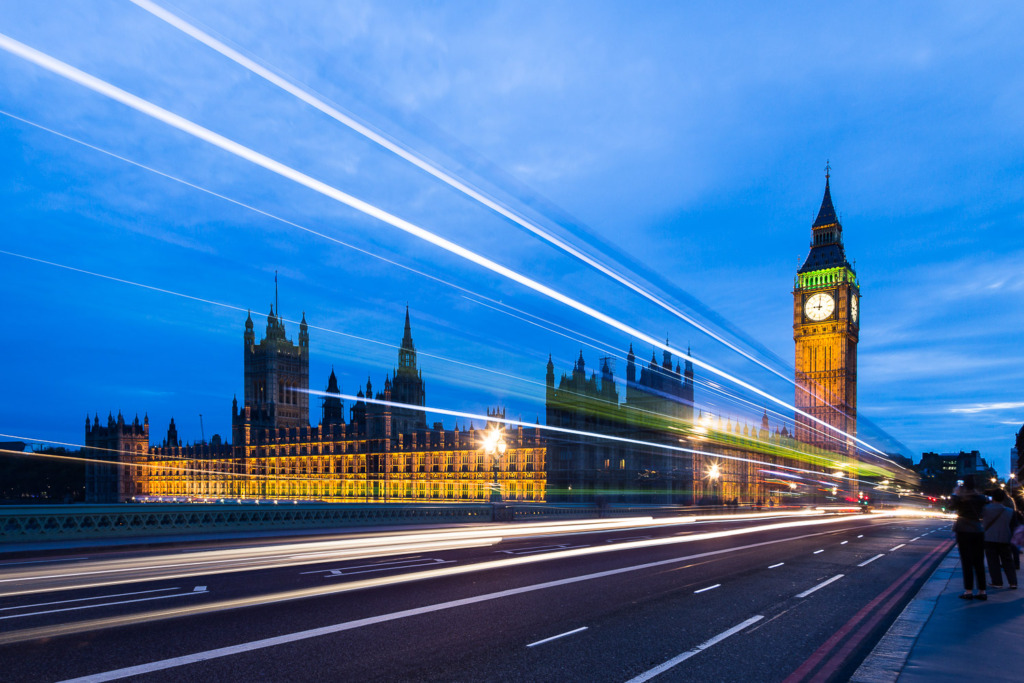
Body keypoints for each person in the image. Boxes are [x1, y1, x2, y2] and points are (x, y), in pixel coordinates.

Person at [949, 475, 988, 600]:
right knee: (979, 561)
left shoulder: (959, 498)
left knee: (967, 562)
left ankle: (968, 591)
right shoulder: (981, 498)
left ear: (963, 485)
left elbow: (950, 507)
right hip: (978, 530)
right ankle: (982, 591)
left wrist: (955, 492)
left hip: (963, 530)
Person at [984, 488, 1017, 589]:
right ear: (1003, 499)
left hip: (989, 538)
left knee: (993, 561)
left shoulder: (986, 508)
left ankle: (997, 582)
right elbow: (1013, 527)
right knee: (1008, 561)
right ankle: (1013, 583)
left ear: (993, 497)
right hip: (1005, 538)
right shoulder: (1010, 511)